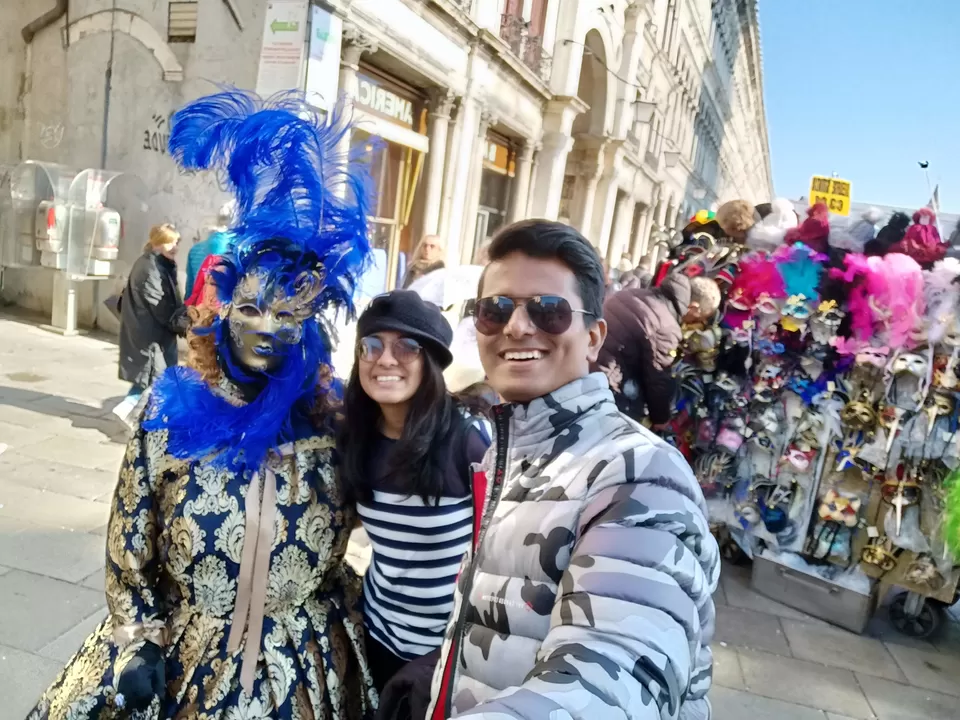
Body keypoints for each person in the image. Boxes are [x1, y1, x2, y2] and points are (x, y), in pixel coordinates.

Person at [29, 90, 378, 719]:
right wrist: (138, 638)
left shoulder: (335, 424)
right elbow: (131, 527)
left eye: (288, 312)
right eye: (250, 307)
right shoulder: (170, 410)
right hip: (185, 651)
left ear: (310, 324)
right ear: (222, 312)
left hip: (303, 667)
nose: (267, 327)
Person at [423, 219, 719, 719]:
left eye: (549, 311)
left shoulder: (641, 475)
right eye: (495, 310)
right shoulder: (508, 453)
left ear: (593, 338)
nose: (517, 326)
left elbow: (607, 685)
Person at [339, 290, 490, 699]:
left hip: (448, 653)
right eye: (371, 346)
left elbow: (497, 554)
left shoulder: (468, 441)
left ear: (431, 362)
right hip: (379, 637)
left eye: (406, 347)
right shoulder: (355, 439)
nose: (385, 360)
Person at [113, 223, 188, 423]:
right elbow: (160, 305)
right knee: (156, 377)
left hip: (152, 333)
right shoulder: (150, 268)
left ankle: (134, 413)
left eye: (177, 242)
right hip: (150, 335)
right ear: (158, 244)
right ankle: (132, 414)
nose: (175, 247)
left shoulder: (158, 264)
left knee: (151, 378)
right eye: (170, 242)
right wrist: (182, 323)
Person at [595, 272, 692, 425]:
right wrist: (660, 418)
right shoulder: (667, 327)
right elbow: (657, 378)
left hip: (585, 363)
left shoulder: (631, 294)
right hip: (606, 384)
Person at [184, 199, 236, 297]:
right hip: (225, 308)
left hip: (200, 308)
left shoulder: (195, 250)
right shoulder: (239, 251)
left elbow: (189, 291)